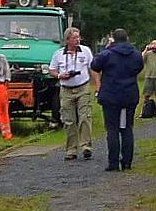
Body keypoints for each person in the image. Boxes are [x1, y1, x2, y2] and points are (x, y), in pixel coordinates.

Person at [91, 28, 143, 172]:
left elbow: (94, 66)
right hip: (129, 95)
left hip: (111, 96)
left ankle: (113, 163)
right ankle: (127, 162)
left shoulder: (107, 54)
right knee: (127, 128)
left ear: (113, 38)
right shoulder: (136, 54)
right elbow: (139, 68)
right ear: (127, 38)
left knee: (112, 129)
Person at [48, 27, 95, 161]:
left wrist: (97, 84)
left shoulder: (85, 51)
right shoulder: (58, 54)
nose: (77, 40)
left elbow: (92, 68)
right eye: (74, 38)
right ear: (67, 40)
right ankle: (71, 150)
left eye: (78, 37)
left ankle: (86, 146)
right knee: (69, 120)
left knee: (84, 116)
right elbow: (52, 70)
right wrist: (60, 75)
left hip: (83, 87)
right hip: (66, 89)